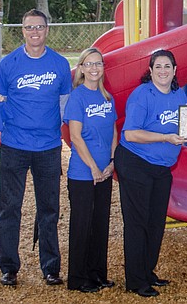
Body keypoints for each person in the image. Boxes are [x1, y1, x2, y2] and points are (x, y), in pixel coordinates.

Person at [0, 9, 72, 287]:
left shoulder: (60, 64)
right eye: (29, 27)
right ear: (22, 30)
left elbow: (65, 102)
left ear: (47, 30)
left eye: (39, 27)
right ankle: (9, 267)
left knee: (49, 208)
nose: (34, 32)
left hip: (48, 146)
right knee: (10, 207)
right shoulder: (8, 64)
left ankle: (50, 267)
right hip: (14, 145)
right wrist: (7, 130)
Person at [115, 49, 187, 297]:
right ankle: (135, 281)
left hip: (161, 167)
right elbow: (131, 134)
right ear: (150, 70)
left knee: (156, 222)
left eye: (167, 66)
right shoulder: (142, 95)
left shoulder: (180, 94)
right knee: (137, 223)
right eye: (158, 67)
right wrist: (166, 137)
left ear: (175, 70)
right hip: (136, 163)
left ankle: (147, 271)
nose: (163, 71)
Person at [64, 48, 118, 293]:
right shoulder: (77, 97)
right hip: (83, 173)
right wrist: (94, 168)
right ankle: (77, 278)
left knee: (100, 224)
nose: (95, 68)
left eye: (99, 64)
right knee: (82, 225)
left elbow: (114, 131)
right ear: (82, 68)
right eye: (89, 64)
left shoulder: (108, 97)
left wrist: (112, 161)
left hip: (104, 171)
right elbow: (75, 137)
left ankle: (97, 274)